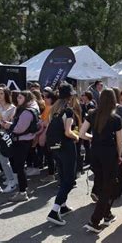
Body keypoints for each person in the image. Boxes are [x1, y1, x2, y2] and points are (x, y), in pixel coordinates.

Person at [79, 89, 122, 233]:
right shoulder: (116, 118)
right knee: (108, 186)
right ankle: (95, 220)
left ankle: (107, 214)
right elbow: (120, 141)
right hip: (109, 154)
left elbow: (81, 133)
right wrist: (120, 155)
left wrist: (92, 138)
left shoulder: (92, 114)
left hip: (95, 152)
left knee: (104, 183)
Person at [46, 84, 80, 226]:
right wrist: (76, 137)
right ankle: (54, 210)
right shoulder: (68, 111)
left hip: (55, 147)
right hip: (66, 147)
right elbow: (68, 132)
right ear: (70, 96)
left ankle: (63, 205)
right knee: (69, 180)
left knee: (62, 175)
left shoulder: (53, 110)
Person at [0, 91, 39, 202]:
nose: (18, 99)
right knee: (20, 166)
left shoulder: (26, 112)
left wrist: (7, 125)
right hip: (24, 141)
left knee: (19, 167)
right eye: (18, 97)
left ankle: (22, 192)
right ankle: (24, 188)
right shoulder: (28, 110)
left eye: (20, 98)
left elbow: (19, 129)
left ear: (26, 99)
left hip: (22, 142)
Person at [40, 90, 58, 183]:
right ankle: (52, 173)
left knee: (50, 155)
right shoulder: (47, 107)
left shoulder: (51, 108)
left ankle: (51, 174)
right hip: (45, 133)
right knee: (49, 155)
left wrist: (43, 134)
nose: (44, 99)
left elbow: (48, 123)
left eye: (47, 97)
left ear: (52, 99)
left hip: (48, 134)